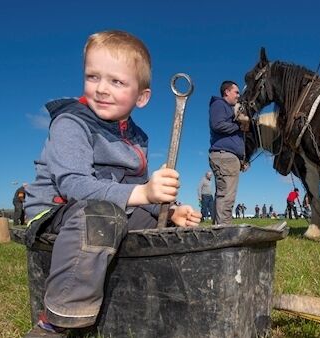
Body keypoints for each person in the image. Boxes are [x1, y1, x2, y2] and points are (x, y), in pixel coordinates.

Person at [23, 30, 201, 337]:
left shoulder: (137, 138)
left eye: (116, 81)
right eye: (93, 77)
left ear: (141, 97)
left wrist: (167, 210)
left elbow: (132, 195)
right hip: (57, 212)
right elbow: (74, 186)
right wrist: (144, 192)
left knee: (154, 223)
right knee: (101, 217)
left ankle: (157, 299)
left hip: (108, 213)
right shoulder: (71, 123)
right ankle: (57, 322)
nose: (102, 89)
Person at [208, 80, 249, 225]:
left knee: (222, 194)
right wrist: (239, 125)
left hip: (227, 156)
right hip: (225, 156)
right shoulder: (220, 104)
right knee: (227, 196)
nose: (239, 95)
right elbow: (218, 125)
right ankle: (224, 231)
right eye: (236, 92)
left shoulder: (228, 109)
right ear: (227, 92)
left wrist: (242, 159)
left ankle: (217, 230)